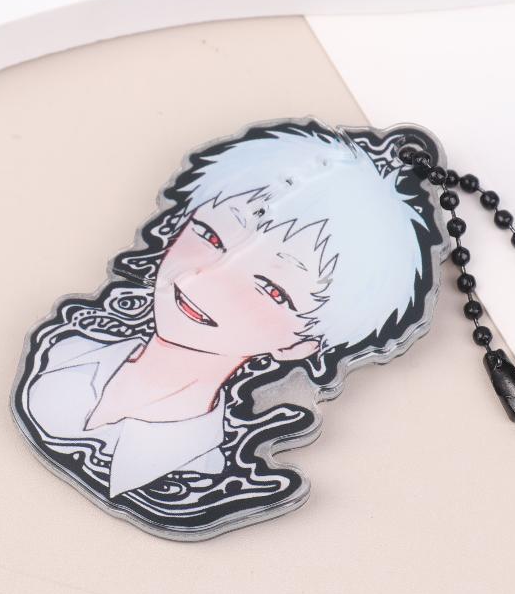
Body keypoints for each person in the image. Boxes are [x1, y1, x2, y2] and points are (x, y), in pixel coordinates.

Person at [26, 123, 433, 499]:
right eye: (210, 235)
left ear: (302, 344)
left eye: (272, 289)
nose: (205, 277)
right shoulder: (57, 353)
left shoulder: (201, 476)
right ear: (177, 227)